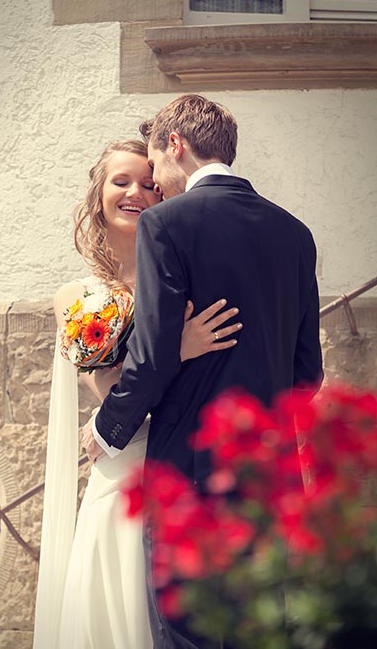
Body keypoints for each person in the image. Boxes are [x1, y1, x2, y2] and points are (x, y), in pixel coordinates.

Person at [86, 96, 323, 647]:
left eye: (155, 163)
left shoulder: (167, 224)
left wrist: (107, 428)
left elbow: (149, 355)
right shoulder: (295, 233)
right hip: (267, 474)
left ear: (175, 145)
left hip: (189, 471)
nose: (156, 184)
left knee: (188, 632)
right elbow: (306, 377)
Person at [32, 140, 241, 648]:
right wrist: (180, 348)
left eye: (149, 183)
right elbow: (107, 389)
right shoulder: (77, 298)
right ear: (97, 196)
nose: (136, 192)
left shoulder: (185, 277)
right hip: (124, 466)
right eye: (120, 181)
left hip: (185, 467)